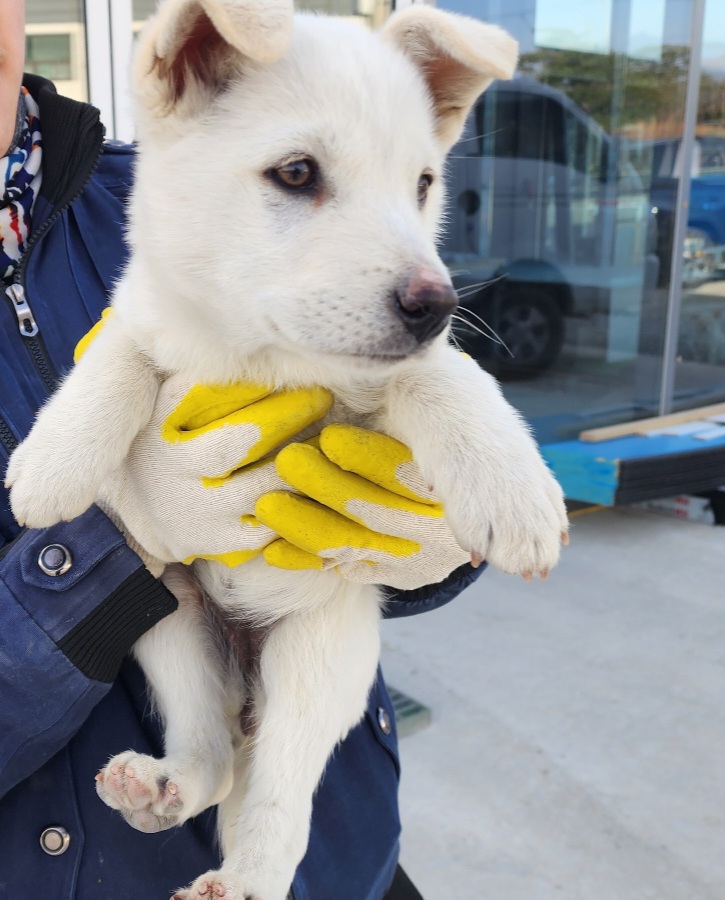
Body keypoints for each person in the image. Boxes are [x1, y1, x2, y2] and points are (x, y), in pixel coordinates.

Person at [0, 3, 483, 898]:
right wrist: (120, 550)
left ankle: (263, 837)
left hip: (345, 868)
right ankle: (205, 769)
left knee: (311, 680)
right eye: (299, 173)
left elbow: (404, 406)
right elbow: (136, 347)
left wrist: (443, 529)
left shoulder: (172, 176)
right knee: (179, 644)